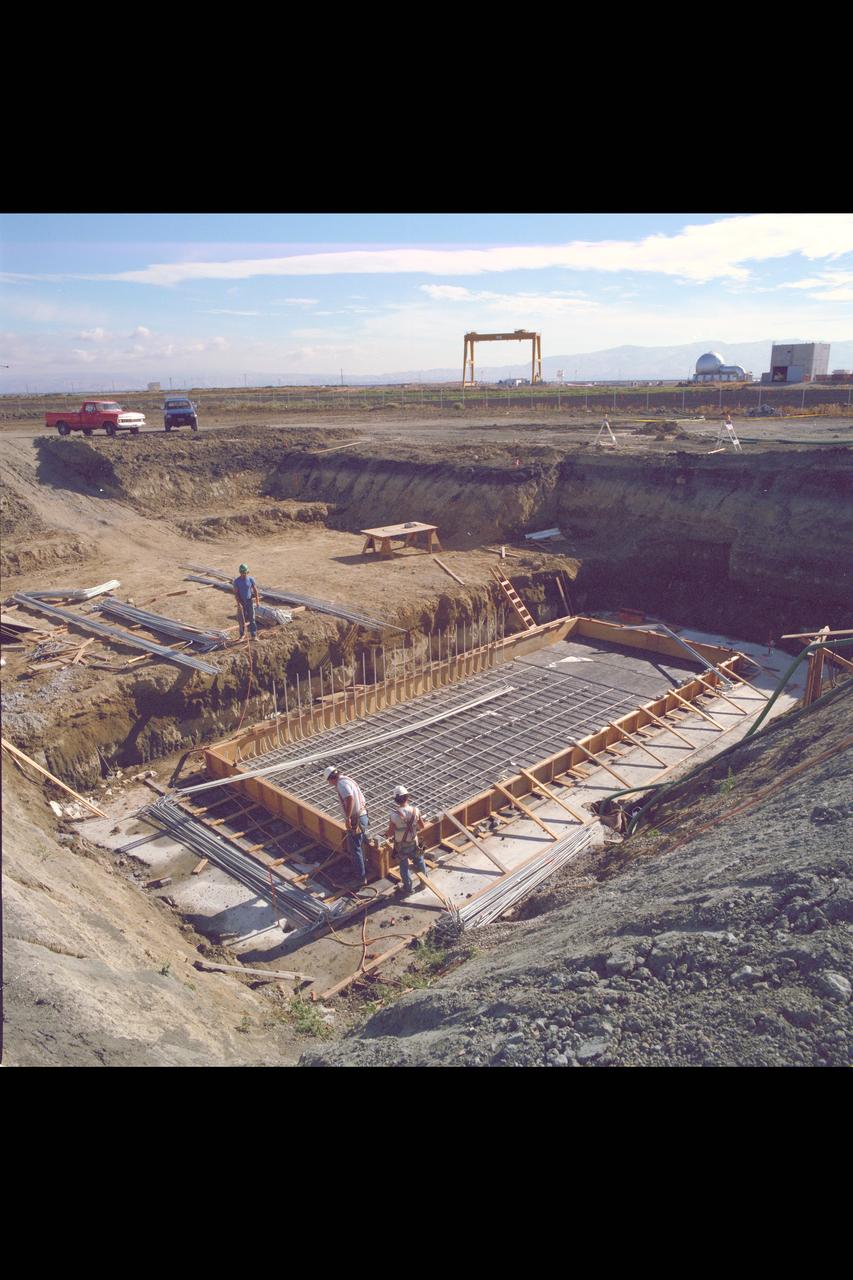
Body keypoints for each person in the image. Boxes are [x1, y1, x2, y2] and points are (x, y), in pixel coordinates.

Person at [323, 766, 369, 883]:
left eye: (329, 781)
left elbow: (349, 798)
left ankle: (360, 877)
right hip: (363, 815)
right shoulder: (347, 780)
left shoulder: (341, 784)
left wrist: (348, 817)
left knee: (355, 848)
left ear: (331, 778)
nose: (330, 784)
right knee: (360, 844)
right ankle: (364, 869)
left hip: (356, 819)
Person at [385, 784, 426, 895]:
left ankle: (408, 888)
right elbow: (422, 826)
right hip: (414, 842)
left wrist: (387, 834)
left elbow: (390, 833)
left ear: (395, 800)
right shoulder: (416, 810)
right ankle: (424, 883)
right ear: (407, 797)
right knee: (420, 861)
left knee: (404, 866)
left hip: (401, 846)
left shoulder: (394, 815)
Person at [233, 563, 260, 641]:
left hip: (249, 601)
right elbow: (236, 594)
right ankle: (242, 635)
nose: (243, 574)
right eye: (242, 573)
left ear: (247, 572)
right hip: (241, 602)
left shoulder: (251, 579)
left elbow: (255, 590)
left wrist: (257, 601)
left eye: (244, 573)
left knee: (252, 618)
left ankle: (254, 635)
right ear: (240, 572)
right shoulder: (236, 581)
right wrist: (239, 604)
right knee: (241, 619)